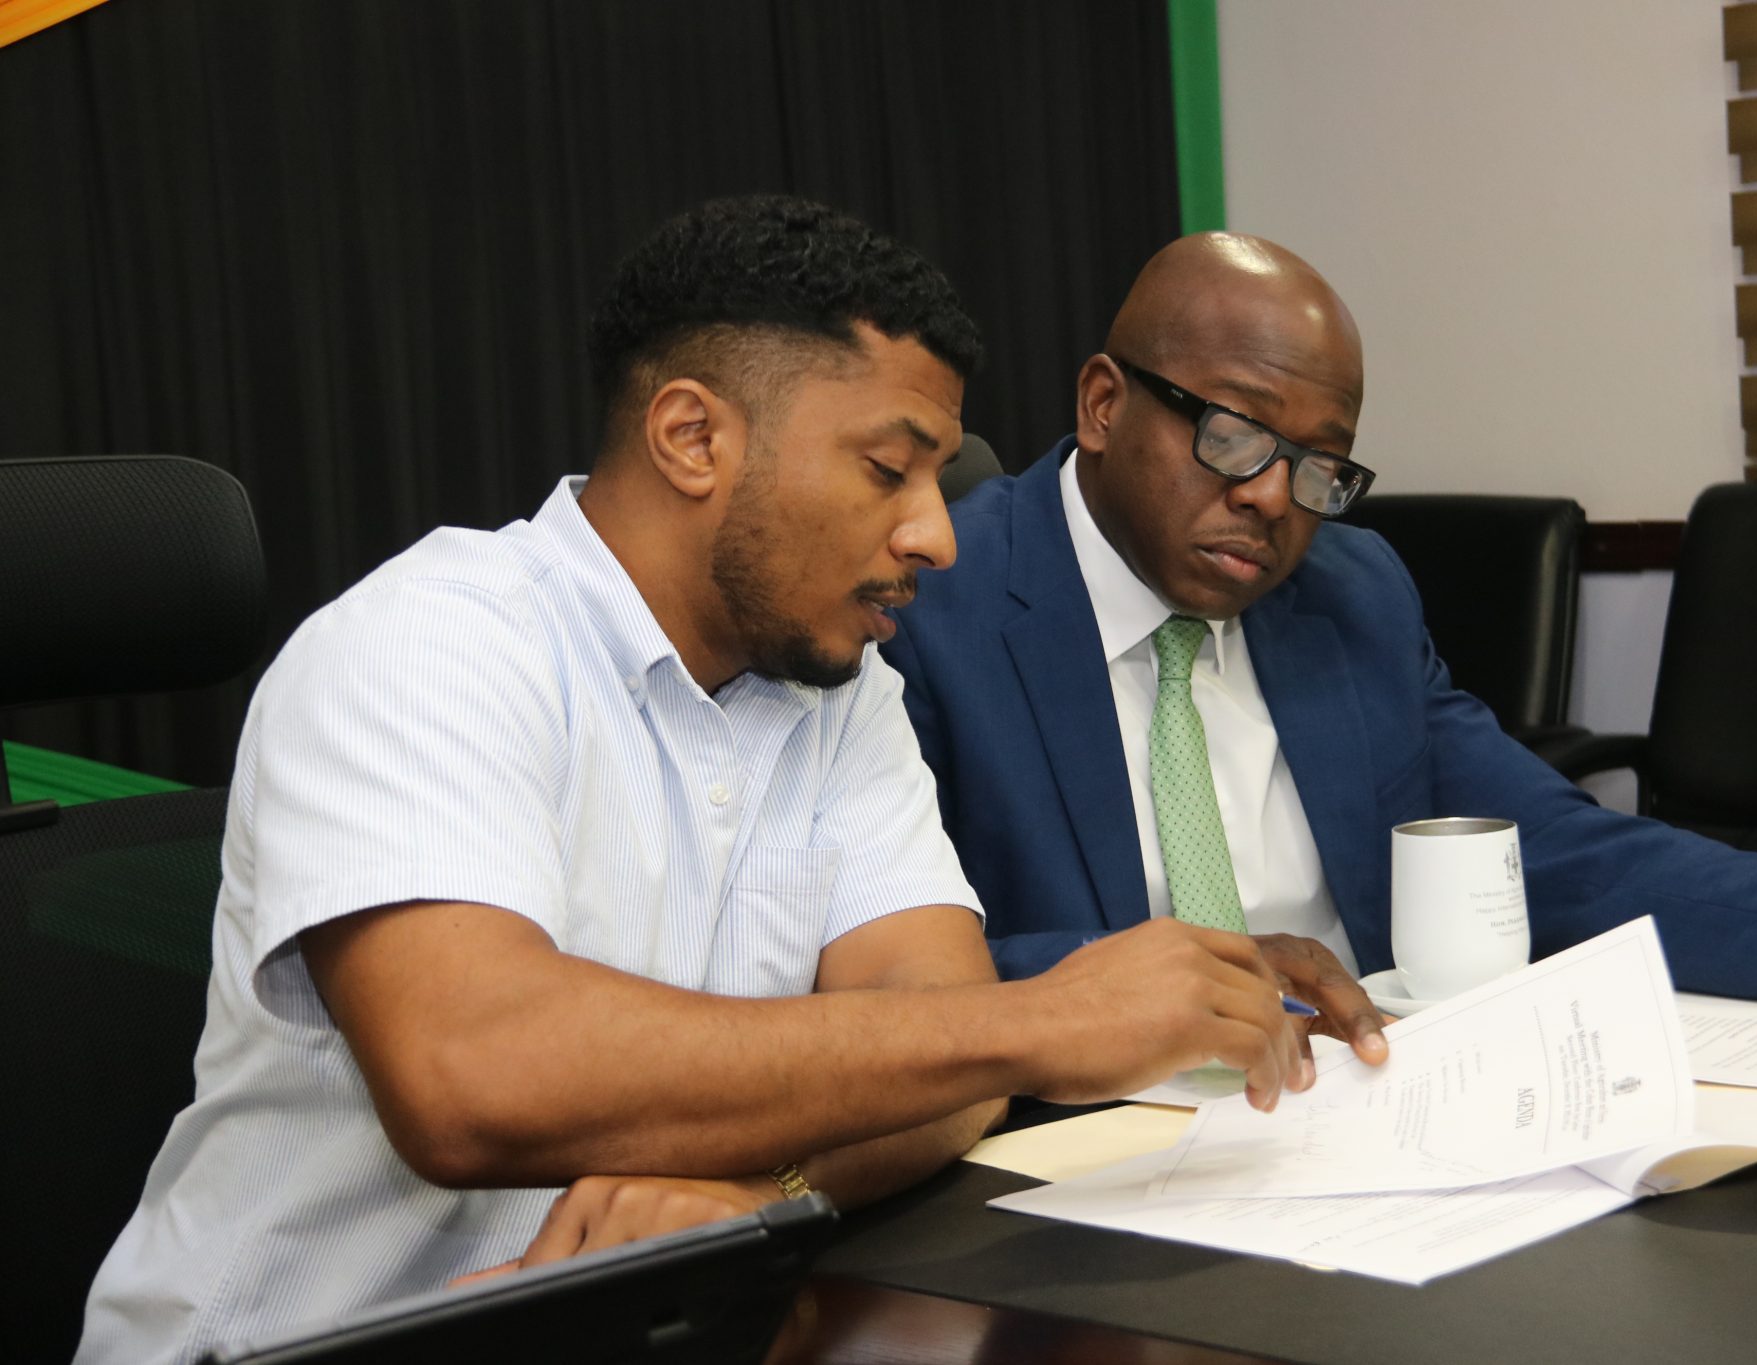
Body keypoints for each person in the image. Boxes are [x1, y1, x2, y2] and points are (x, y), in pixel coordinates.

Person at [76, 199, 1321, 1365]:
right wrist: (1038, 1020)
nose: (935, 534)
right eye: (889, 471)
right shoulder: (427, 644)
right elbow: (474, 1078)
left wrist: (758, 1197)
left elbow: (938, 1073)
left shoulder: (843, 689)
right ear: (691, 437)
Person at [879, 230, 1757, 1036]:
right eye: (1233, 438)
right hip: (1080, 1175)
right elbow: (871, 978)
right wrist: (1172, 986)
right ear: (1100, 404)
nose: (1274, 500)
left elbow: (1549, 844)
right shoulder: (927, 606)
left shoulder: (1348, 590)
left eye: (1317, 465)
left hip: (1383, 1124)